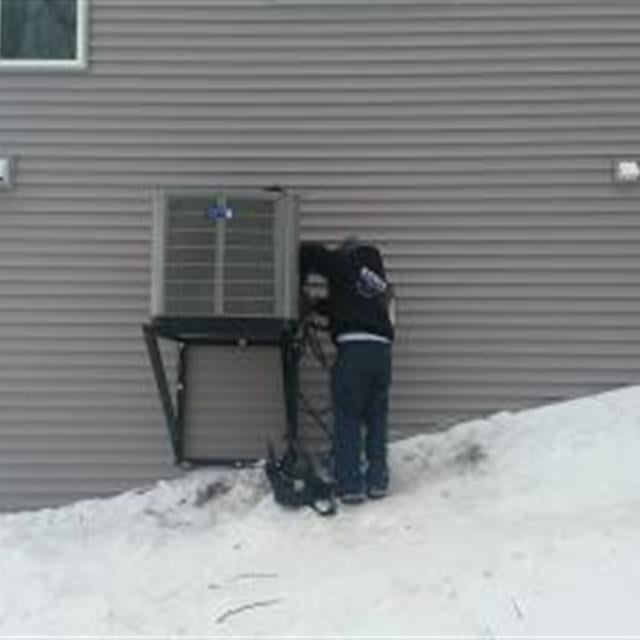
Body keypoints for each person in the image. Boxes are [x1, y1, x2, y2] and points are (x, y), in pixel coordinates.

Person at [300, 237, 394, 504]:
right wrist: (319, 306)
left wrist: (298, 285)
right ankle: (377, 482)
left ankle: (350, 485)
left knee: (348, 418)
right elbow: (349, 305)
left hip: (354, 351)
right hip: (383, 353)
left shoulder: (343, 261)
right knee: (376, 419)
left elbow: (308, 252)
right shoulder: (379, 283)